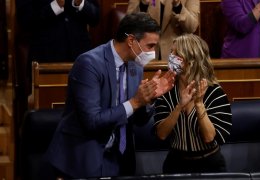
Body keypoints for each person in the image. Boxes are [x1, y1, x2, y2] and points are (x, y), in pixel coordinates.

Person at [45, 12, 175, 179]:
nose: (153, 53)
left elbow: (139, 121)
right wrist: (135, 102)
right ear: (131, 41)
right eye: (150, 46)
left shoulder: (136, 66)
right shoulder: (89, 64)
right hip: (83, 157)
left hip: (119, 159)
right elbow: (92, 121)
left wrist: (150, 98)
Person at [153, 34, 232, 173]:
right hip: (175, 165)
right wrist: (179, 107)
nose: (170, 56)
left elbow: (209, 137)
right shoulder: (167, 90)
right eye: (171, 52)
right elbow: (161, 134)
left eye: (176, 53)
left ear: (191, 59)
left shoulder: (214, 92)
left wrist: (199, 104)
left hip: (209, 165)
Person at [16, 0, 100, 63]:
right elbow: (25, 21)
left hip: (81, 58)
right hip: (45, 59)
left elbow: (95, 17)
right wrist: (55, 7)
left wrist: (80, 4)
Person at [127, 0, 200, 61]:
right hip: (144, 55)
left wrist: (178, 6)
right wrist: (143, 5)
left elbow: (192, 27)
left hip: (178, 55)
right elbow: (129, 26)